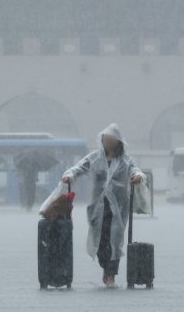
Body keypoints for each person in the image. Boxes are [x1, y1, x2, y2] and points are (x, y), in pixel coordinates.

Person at [61, 123, 143, 288]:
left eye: (112, 139)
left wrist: (138, 176)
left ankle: (111, 272)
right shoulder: (94, 158)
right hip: (97, 207)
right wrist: (69, 175)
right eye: (106, 139)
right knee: (100, 239)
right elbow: (78, 168)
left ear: (118, 142)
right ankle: (105, 266)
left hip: (117, 208)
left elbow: (135, 170)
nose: (108, 142)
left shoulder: (125, 160)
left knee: (115, 239)